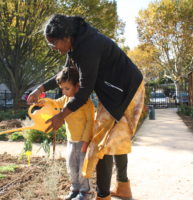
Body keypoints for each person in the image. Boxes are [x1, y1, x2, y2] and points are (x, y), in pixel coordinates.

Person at [27, 14, 145, 200]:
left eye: (54, 43)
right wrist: (40, 89)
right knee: (116, 140)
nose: (54, 49)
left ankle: (103, 195)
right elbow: (65, 75)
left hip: (127, 90)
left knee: (103, 142)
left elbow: (83, 91)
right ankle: (123, 187)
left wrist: (61, 116)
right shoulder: (76, 45)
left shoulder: (88, 47)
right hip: (117, 89)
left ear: (66, 38)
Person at [51, 67, 94, 200]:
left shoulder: (86, 102)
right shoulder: (65, 99)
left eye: (67, 88)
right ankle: (74, 188)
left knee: (83, 167)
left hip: (82, 141)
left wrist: (86, 141)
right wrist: (43, 102)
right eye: (62, 89)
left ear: (77, 86)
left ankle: (85, 192)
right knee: (71, 166)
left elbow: (90, 122)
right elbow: (54, 103)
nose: (64, 92)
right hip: (71, 140)